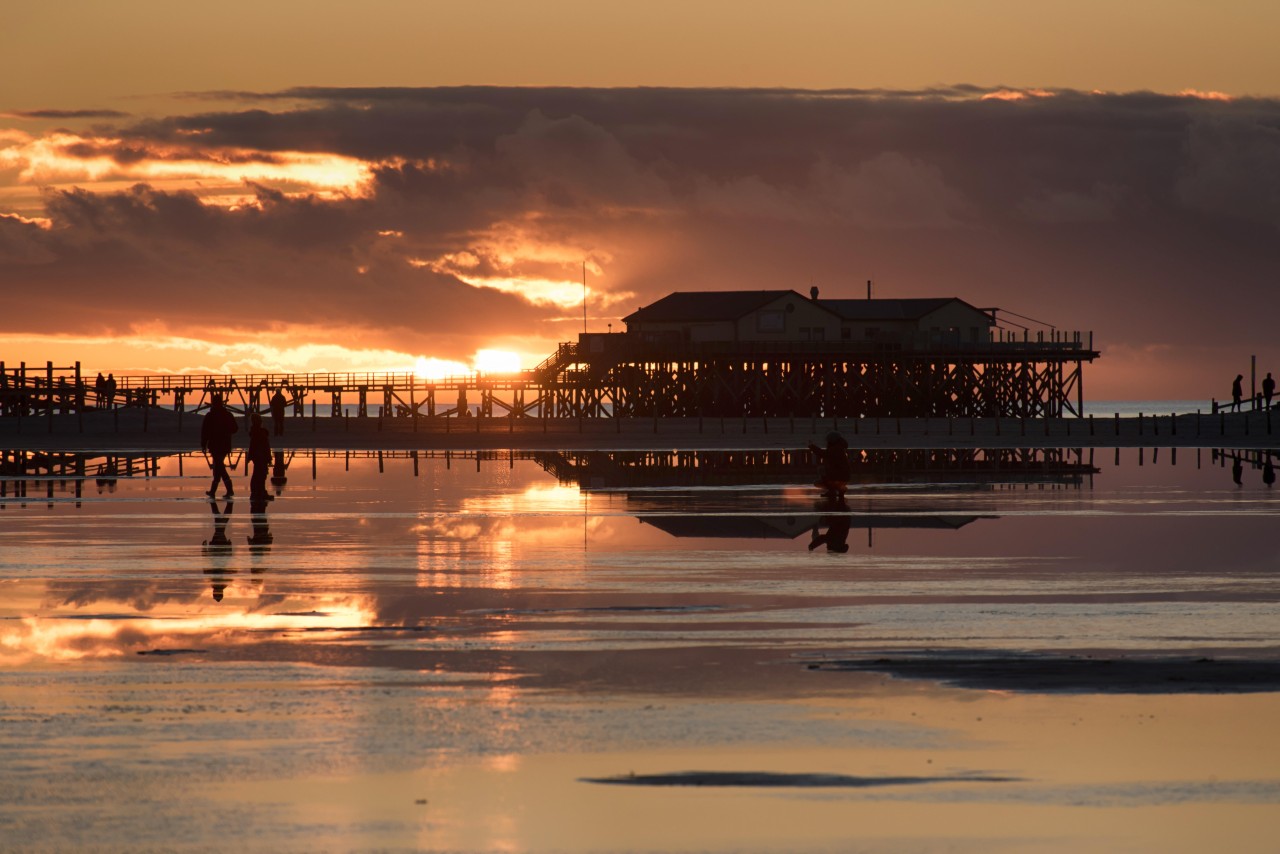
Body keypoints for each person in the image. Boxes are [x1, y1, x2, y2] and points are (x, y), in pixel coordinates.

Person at [201, 395, 238, 498]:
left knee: (220, 466)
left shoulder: (210, 415)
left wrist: (204, 444)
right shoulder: (228, 414)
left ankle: (229, 490)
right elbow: (235, 428)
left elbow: (205, 431)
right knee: (218, 466)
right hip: (225, 444)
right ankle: (213, 491)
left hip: (215, 444)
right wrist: (226, 432)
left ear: (213, 403)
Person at [808, 431, 852, 499]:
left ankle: (834, 490)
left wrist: (812, 447)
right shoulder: (840, 448)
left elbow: (824, 454)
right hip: (844, 476)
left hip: (839, 476)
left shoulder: (836, 448)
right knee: (825, 471)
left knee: (820, 475)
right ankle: (839, 489)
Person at [245, 412, 272, 500]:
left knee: (258, 474)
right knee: (261, 474)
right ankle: (260, 492)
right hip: (261, 456)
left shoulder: (255, 432)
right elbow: (265, 446)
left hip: (258, 456)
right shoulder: (259, 432)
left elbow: (252, 446)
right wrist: (268, 457)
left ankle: (257, 492)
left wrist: (250, 456)